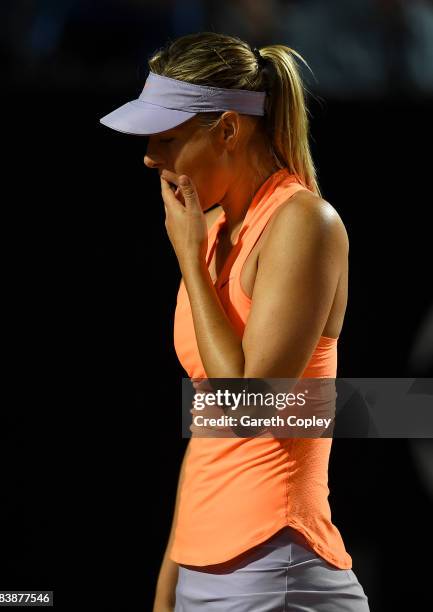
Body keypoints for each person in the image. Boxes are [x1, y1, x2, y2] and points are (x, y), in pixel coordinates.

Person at [100, 31, 370, 612]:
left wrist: (189, 265)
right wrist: (170, 578)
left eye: (167, 138)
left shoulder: (304, 223)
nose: (150, 156)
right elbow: (209, 428)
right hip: (208, 567)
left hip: (273, 567)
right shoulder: (214, 232)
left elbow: (246, 406)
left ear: (228, 129)